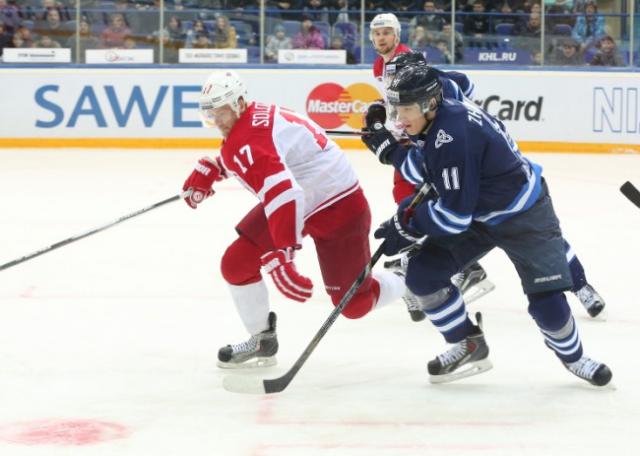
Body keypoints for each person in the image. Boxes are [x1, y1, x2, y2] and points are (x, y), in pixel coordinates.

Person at [360, 64, 612, 387]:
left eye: (405, 109)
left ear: (428, 104)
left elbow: (453, 216)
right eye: (396, 108)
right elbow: (434, 166)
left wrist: (410, 224)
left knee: (548, 305)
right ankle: (468, 343)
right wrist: (390, 150)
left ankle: (575, 358)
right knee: (422, 275)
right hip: (477, 208)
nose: (399, 118)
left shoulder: (451, 137)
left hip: (523, 214)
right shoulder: (443, 99)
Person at [181, 70, 407, 368]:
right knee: (237, 264)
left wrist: (284, 251)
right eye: (212, 114)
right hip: (300, 198)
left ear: (238, 103)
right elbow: (265, 162)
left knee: (354, 304)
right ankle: (262, 339)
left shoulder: (247, 134)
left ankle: (408, 280)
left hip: (336, 203)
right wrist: (216, 167)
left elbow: (283, 191)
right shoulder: (247, 123)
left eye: (222, 112)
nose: (218, 121)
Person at [378, 51, 607, 320]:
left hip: (480, 162)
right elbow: (464, 85)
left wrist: (392, 149)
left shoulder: (442, 101)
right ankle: (465, 269)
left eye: (397, 75)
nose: (392, 82)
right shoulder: (430, 89)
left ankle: (579, 284)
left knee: (532, 232)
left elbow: (432, 150)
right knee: (464, 219)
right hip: (466, 162)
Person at [370, 15, 494, 321]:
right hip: (408, 135)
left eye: (387, 33)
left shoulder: (404, 60)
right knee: (410, 195)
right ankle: (448, 262)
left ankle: (455, 265)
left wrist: (391, 133)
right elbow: (396, 103)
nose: (382, 38)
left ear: (397, 34)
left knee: (412, 196)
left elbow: (419, 102)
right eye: (377, 33)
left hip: (418, 140)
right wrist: (380, 113)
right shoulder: (379, 66)